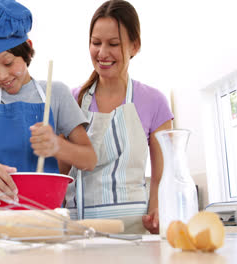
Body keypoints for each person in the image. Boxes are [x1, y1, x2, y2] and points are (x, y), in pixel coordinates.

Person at [0, 0, 97, 210]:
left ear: (28, 49)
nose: (1, 76)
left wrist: (58, 146)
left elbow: (89, 159)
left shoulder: (56, 93)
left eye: (8, 63)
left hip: (41, 217)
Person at [64, 0, 173, 234]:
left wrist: (157, 213)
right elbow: (60, 175)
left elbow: (161, 179)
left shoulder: (154, 102)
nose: (102, 53)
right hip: (78, 233)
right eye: (96, 43)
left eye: (113, 44)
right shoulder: (72, 100)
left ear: (135, 46)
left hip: (133, 233)